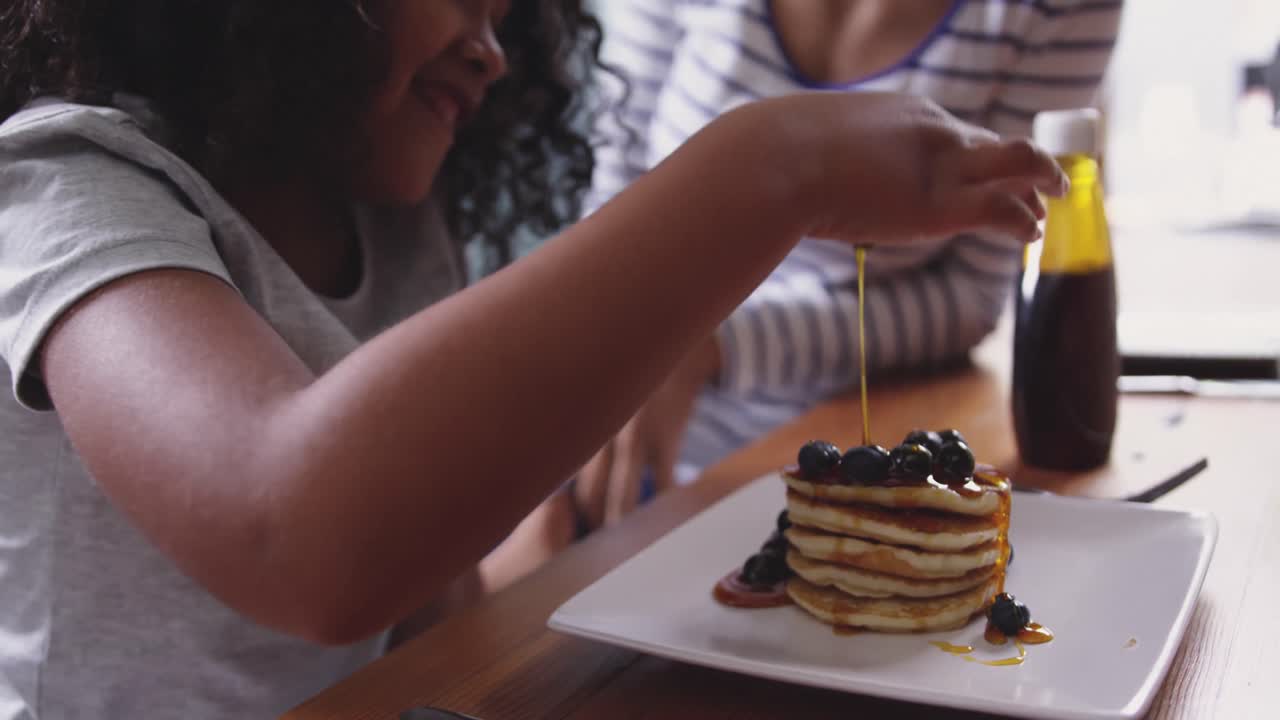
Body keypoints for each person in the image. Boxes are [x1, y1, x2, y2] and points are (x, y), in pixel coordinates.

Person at [0, 1, 1067, 717]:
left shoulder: (398, 232)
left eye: (509, 13)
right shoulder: (67, 187)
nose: (493, 46)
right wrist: (774, 167)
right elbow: (296, 539)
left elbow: (432, 609)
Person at [574, 0, 1123, 524]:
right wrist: (574, 417)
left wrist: (712, 346)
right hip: (636, 437)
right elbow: (607, 215)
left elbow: (972, 297)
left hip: (860, 426)